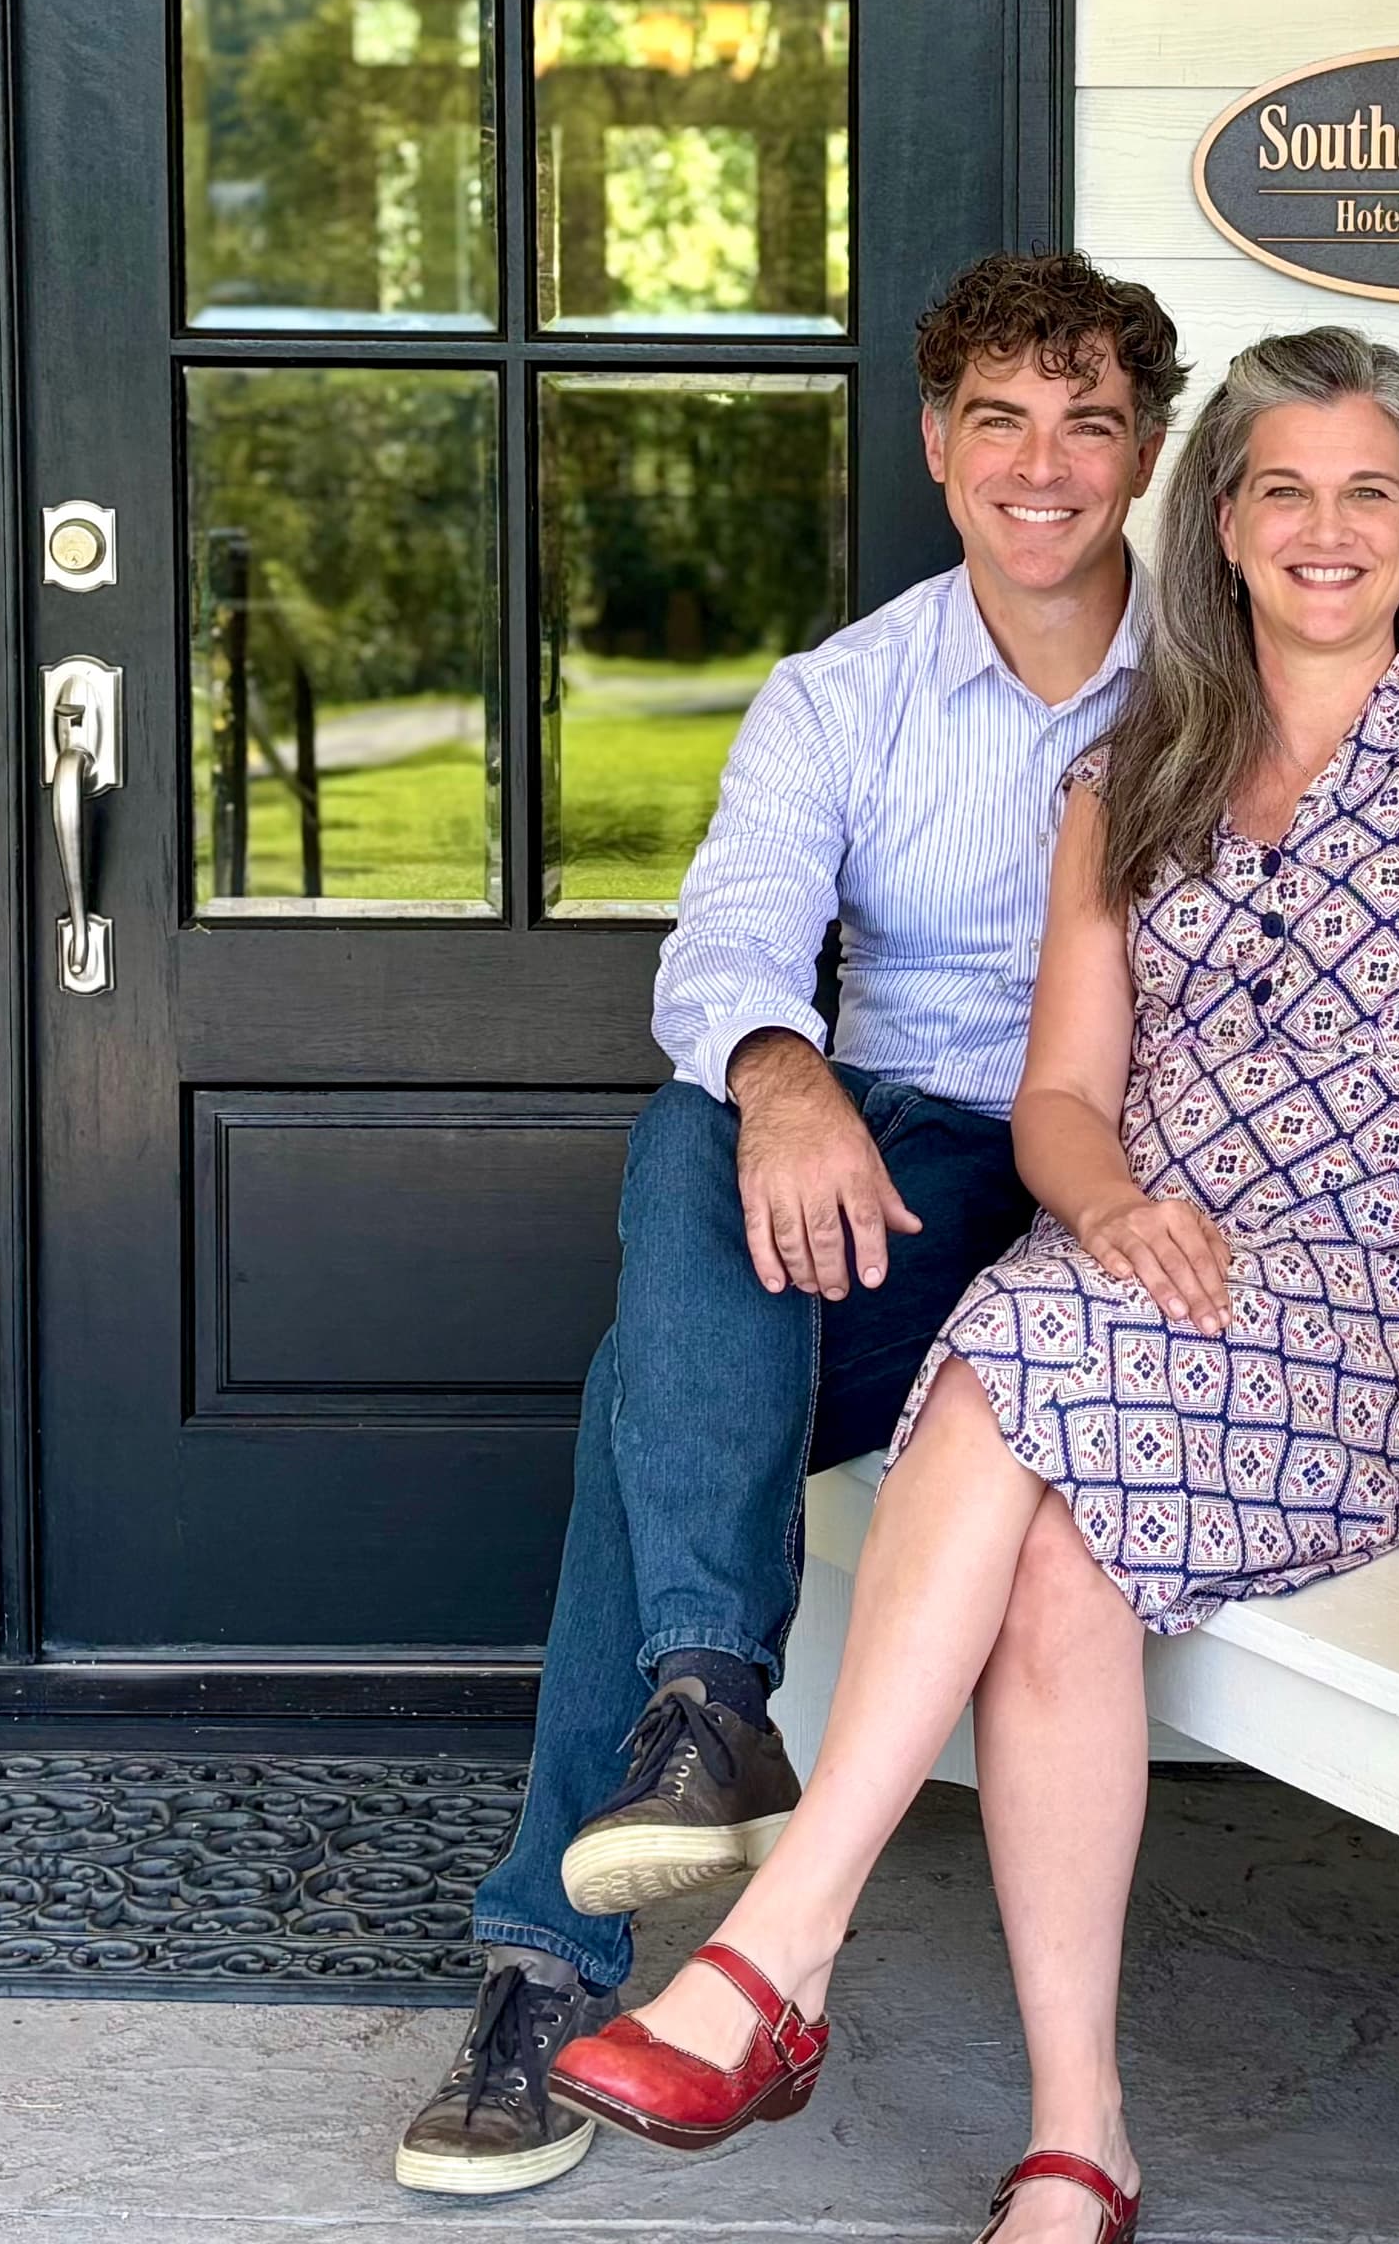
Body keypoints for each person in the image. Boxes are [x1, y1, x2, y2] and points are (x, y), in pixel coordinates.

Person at [542, 327, 1399, 2242]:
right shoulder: (1140, 769)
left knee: (1009, 1366)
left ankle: (783, 1946)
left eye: (1370, 492)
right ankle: (1077, 2138)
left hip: (1387, 1324)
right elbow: (1065, 1103)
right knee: (1047, 1520)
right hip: (1155, 1290)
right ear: (1228, 519)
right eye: (1286, 489)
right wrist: (1108, 1210)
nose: (1326, 529)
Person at [393, 252, 1188, 2197]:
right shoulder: (850, 691)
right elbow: (737, 929)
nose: (1044, 463)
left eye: (1089, 421)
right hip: (901, 1171)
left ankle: (584, 1888)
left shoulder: (1228, 679)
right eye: (1001, 417)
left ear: (1147, 450)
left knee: (636, 1393)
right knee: (706, 1120)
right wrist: (785, 1072)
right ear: (937, 446)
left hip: (1109, 1186)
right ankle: (692, 1720)